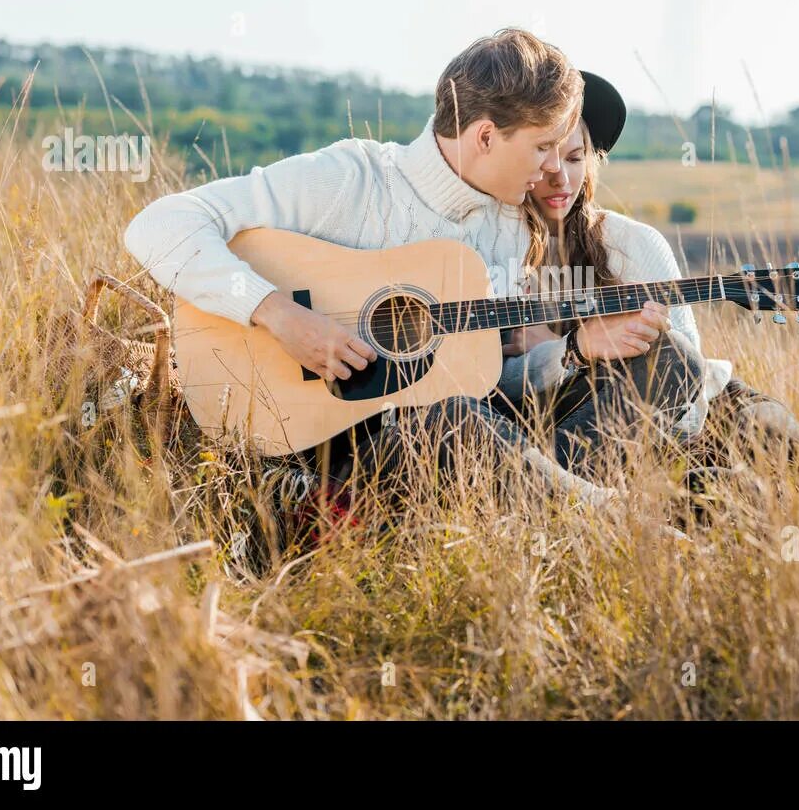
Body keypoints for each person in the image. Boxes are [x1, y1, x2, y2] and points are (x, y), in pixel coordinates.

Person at [122, 28, 691, 530]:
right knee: (453, 419)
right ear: (486, 136)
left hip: (466, 433)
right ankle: (603, 517)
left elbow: (482, 373)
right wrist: (276, 312)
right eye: (542, 147)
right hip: (326, 447)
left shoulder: (514, 224)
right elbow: (160, 224)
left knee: (669, 361)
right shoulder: (351, 180)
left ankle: (536, 508)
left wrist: (572, 353)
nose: (552, 168)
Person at [497, 71, 799, 501]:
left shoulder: (632, 244)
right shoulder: (492, 252)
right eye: (547, 160)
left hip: (706, 410)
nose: (562, 180)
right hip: (596, 433)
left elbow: (689, 380)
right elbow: (494, 387)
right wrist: (565, 352)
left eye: (575, 159)